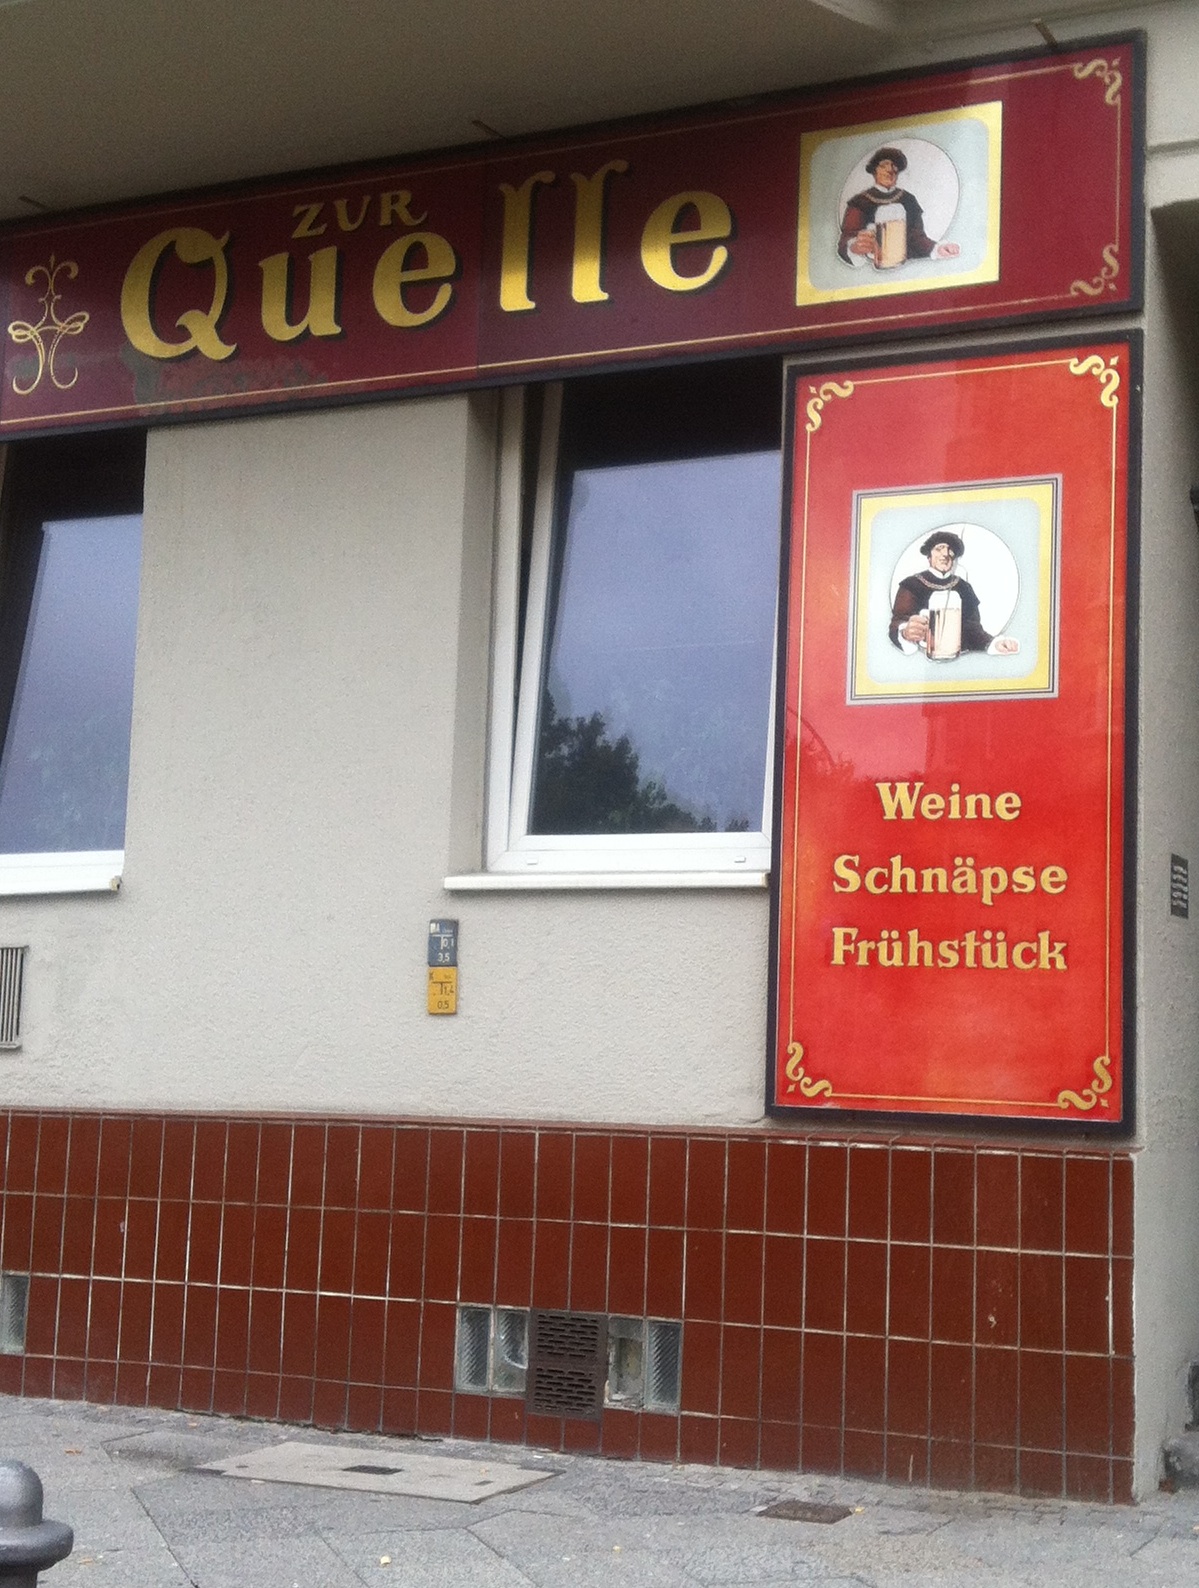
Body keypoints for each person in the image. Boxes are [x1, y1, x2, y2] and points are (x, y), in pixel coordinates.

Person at [889, 531, 1019, 656]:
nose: (945, 554)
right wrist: (905, 633)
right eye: (939, 549)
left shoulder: (964, 587)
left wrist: (993, 644)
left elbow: (973, 630)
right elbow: (897, 623)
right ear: (929, 556)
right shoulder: (911, 584)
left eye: (950, 550)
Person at [838, 146, 961, 268]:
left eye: (894, 167)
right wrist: (854, 247)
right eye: (884, 165)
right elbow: (847, 239)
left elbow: (917, 238)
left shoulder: (908, 199)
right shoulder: (860, 201)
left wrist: (937, 248)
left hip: (906, 267)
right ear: (874, 171)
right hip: (872, 271)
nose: (890, 170)